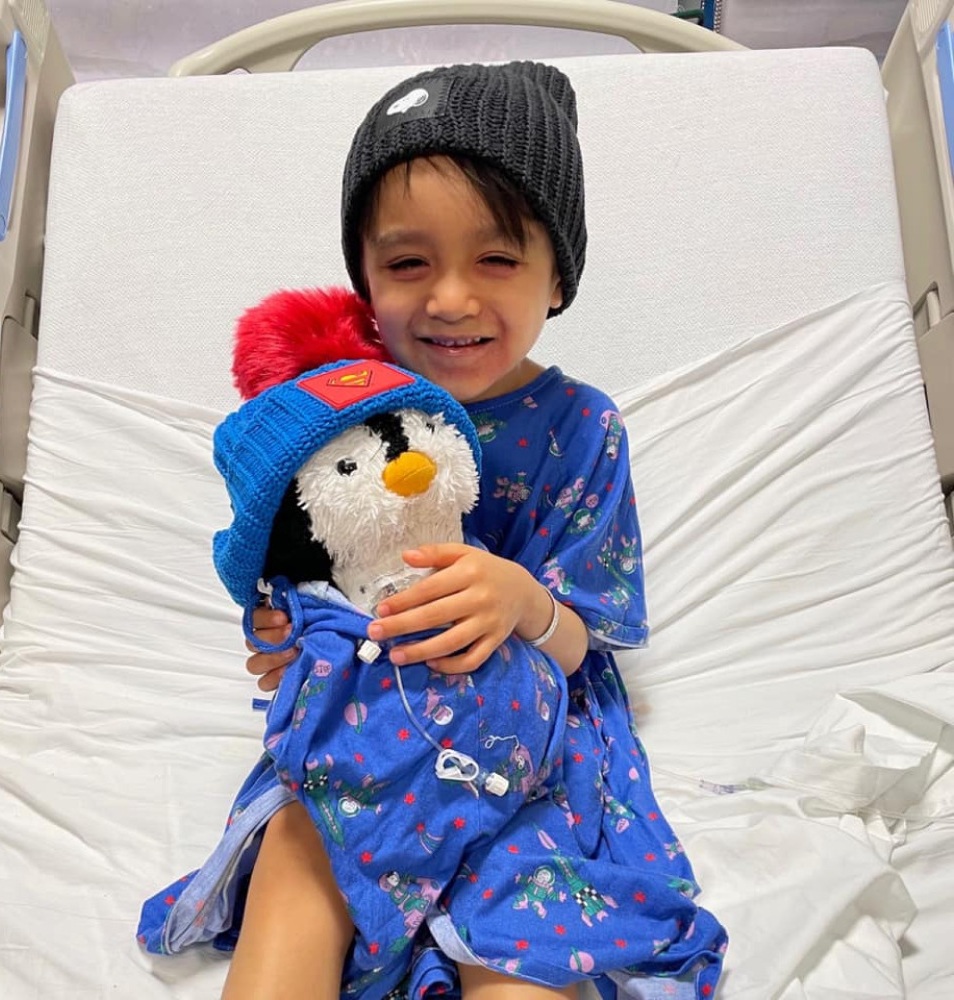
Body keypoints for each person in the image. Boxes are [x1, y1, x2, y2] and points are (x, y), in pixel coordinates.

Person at [150, 61, 726, 1000]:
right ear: (364, 280)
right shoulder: (333, 417)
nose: (451, 298)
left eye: (497, 259)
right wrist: (282, 637)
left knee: (526, 918)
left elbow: (585, 642)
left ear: (557, 279)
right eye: (408, 263)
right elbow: (301, 572)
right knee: (304, 850)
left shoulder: (583, 429)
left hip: (522, 740)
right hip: (365, 728)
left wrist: (526, 604)